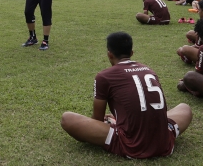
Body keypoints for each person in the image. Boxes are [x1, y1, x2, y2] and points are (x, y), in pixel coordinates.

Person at [60, 32, 192, 159]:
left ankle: (121, 130)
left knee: (67, 119)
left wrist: (113, 123)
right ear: (131, 53)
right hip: (163, 140)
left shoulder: (104, 76)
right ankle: (163, 129)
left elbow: (98, 119)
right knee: (185, 108)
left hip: (132, 144)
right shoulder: (148, 69)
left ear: (109, 54)